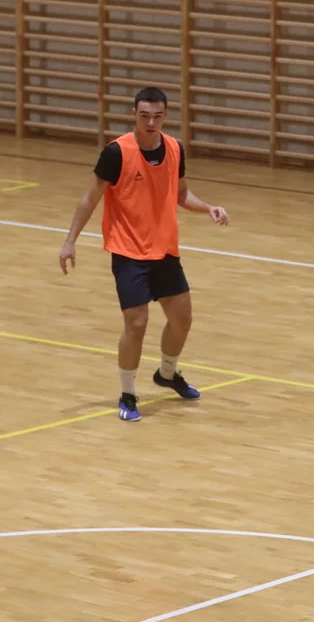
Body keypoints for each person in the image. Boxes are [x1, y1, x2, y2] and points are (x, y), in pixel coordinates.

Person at [59, 86, 229, 422]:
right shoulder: (116, 153)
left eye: (157, 116)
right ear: (134, 115)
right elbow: (90, 198)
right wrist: (70, 241)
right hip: (128, 251)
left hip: (164, 249)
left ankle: (167, 373)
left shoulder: (175, 149)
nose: (150, 122)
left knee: (182, 319)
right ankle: (127, 393)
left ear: (166, 116)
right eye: (144, 116)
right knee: (136, 324)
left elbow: (181, 194)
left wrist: (208, 207)